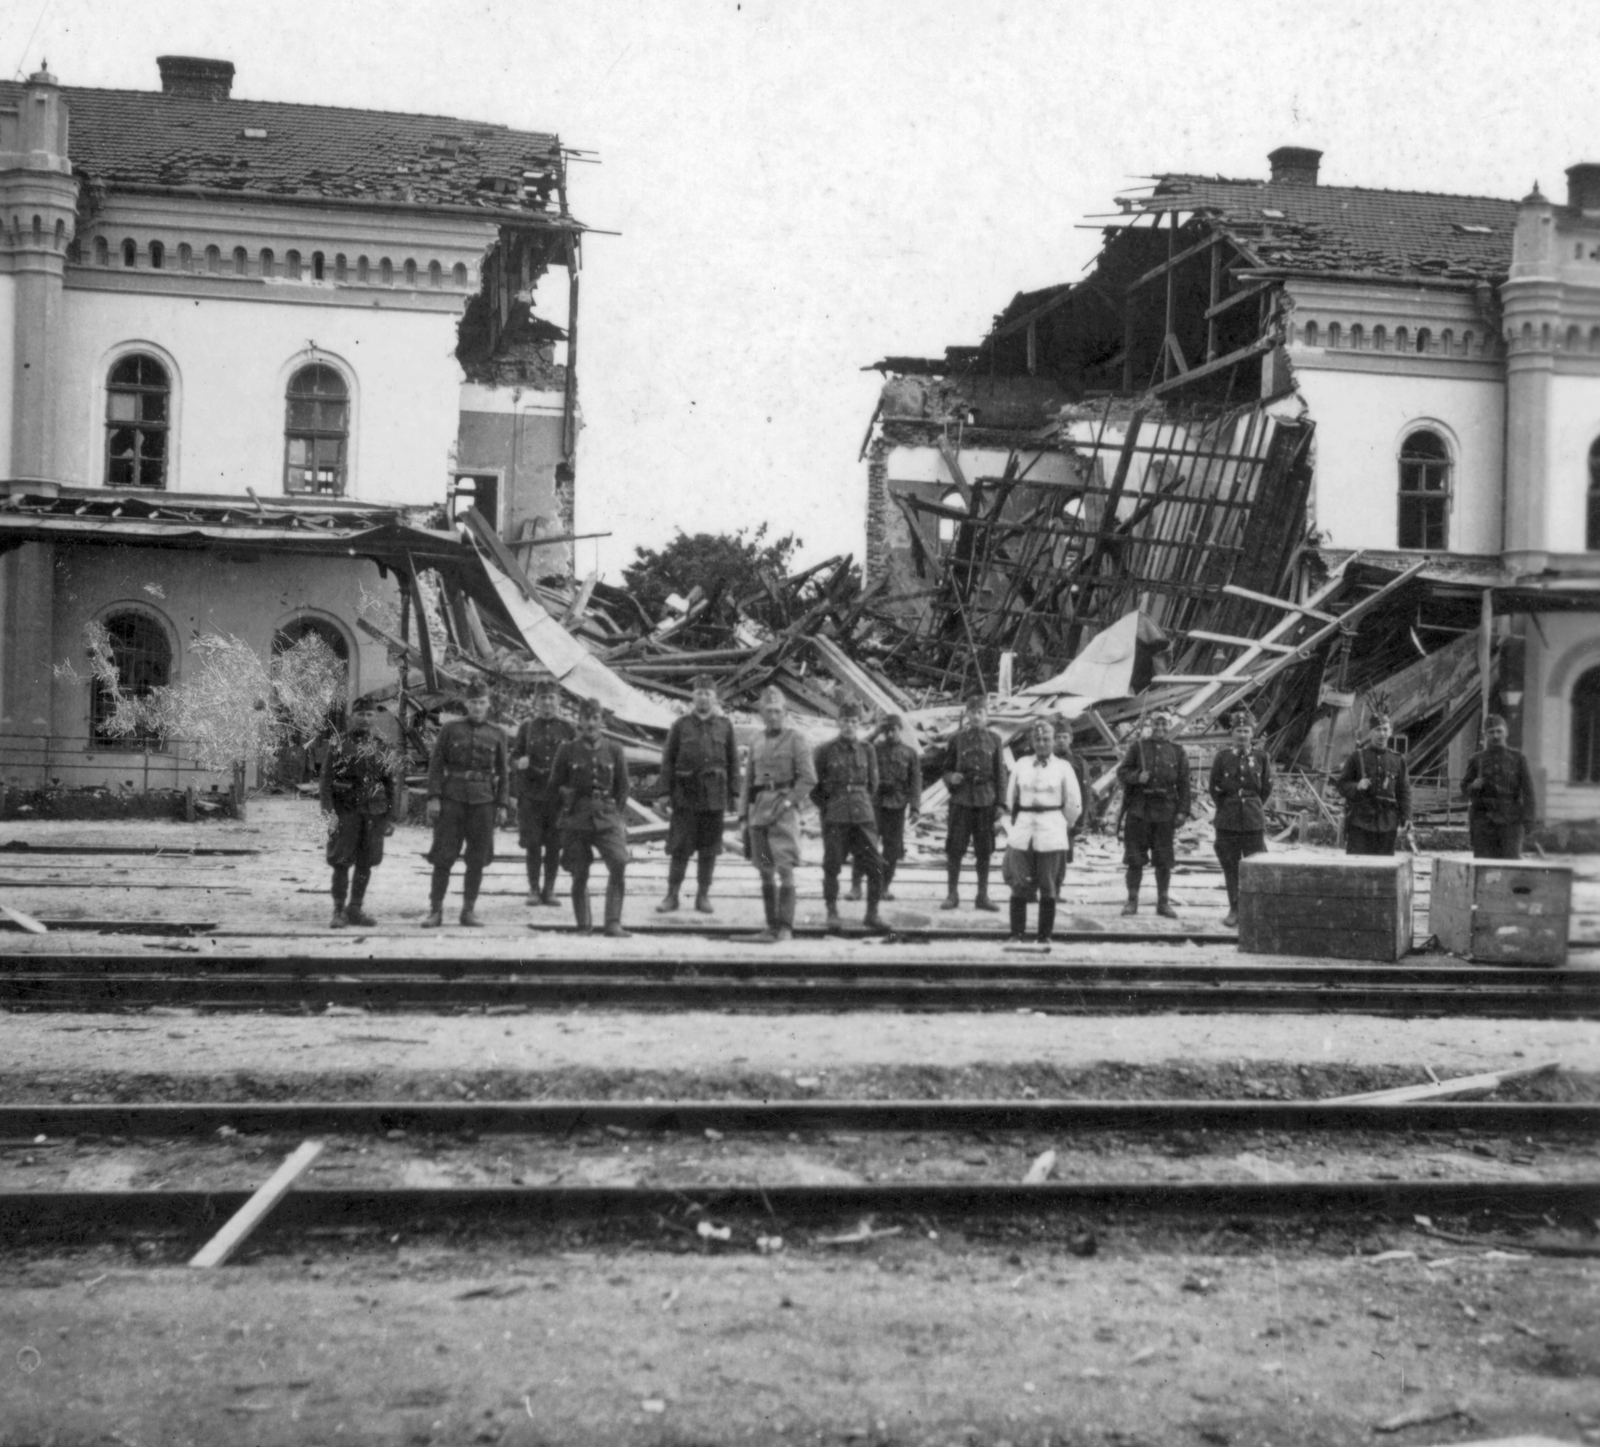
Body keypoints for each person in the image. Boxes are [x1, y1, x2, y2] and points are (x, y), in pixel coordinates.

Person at [423, 679, 509, 928]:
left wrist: (502, 804)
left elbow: (504, 773)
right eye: (473, 702)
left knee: (477, 858)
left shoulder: (498, 733)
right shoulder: (450, 730)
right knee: (443, 855)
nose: (478, 707)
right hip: (452, 800)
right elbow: (437, 765)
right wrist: (433, 798)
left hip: (484, 802)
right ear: (466, 704)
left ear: (488, 704)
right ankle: (435, 910)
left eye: (482, 702)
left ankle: (468, 911)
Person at [549, 697, 632, 937]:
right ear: (579, 721)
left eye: (595, 718)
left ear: (601, 720)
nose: (591, 724)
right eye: (586, 718)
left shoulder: (614, 749)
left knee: (618, 861)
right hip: (577, 818)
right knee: (579, 871)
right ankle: (583, 925)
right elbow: (554, 786)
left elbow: (623, 788)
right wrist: (566, 807)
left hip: (606, 816)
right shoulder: (567, 750)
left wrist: (616, 815)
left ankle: (613, 922)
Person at [657, 674, 739, 914]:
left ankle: (702, 896)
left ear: (715, 697)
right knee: (679, 847)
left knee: (710, 849)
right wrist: (664, 792)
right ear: (693, 696)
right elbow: (667, 761)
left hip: (714, 796)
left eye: (708, 693)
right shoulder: (680, 725)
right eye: (699, 693)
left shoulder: (725, 726)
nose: (703, 697)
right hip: (685, 795)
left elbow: (733, 762)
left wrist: (734, 794)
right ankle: (672, 895)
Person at [741, 686, 816, 944]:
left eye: (777, 711)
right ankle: (770, 926)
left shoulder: (796, 739)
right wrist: (743, 815)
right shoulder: (756, 740)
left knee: (785, 868)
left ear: (785, 713)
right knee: (764, 868)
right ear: (761, 713)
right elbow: (748, 781)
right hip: (759, 815)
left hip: (783, 816)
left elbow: (808, 779)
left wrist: (789, 803)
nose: (773, 716)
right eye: (768, 711)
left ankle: (785, 926)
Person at [319, 696, 400, 928]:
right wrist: (328, 815)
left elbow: (390, 783)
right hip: (346, 811)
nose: (365, 719)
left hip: (374, 813)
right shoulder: (338, 744)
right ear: (351, 717)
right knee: (341, 861)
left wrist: (390, 816)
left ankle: (355, 908)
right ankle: (338, 911)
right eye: (361, 714)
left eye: (369, 714)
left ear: (374, 717)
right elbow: (325, 783)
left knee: (366, 861)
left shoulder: (382, 746)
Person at [1004, 717, 1083, 943]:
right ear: (1032, 741)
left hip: (1051, 829)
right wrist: (1016, 824)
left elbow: (1074, 804)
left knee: (1048, 885)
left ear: (1052, 741)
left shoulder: (1063, 767)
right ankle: (1016, 934)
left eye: (1046, 738)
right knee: (1019, 883)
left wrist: (1059, 824)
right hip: (1024, 829)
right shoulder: (1021, 765)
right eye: (1037, 739)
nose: (1042, 743)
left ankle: (1044, 936)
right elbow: (1011, 799)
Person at [813, 701, 888, 933]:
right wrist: (830, 808)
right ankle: (832, 912)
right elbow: (815, 788)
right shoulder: (824, 751)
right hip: (835, 816)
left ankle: (872, 914)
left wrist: (860, 802)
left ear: (859, 724)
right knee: (832, 864)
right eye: (845, 721)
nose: (849, 726)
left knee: (875, 865)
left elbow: (873, 785)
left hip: (863, 814)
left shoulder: (868, 750)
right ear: (838, 723)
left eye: (854, 722)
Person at [1116, 707, 1191, 918]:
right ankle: (1132, 901)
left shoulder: (1177, 751)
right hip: (1139, 810)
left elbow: (1184, 785)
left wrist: (1182, 812)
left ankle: (1163, 902)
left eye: (1164, 724)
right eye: (1156, 723)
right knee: (1134, 859)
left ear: (1170, 726)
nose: (1160, 727)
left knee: (1164, 860)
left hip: (1166, 812)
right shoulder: (1137, 747)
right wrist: (1137, 777)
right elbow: (1121, 772)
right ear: (1150, 725)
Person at [940, 691, 1007, 912]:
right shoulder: (957, 739)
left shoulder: (995, 740)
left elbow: (1001, 774)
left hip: (986, 801)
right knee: (955, 849)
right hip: (961, 801)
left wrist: (1000, 804)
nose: (976, 716)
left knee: (984, 850)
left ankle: (982, 895)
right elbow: (946, 770)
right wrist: (952, 778)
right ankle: (952, 894)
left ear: (986, 715)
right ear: (967, 714)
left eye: (980, 712)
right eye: (972, 712)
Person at [1208, 708, 1273, 928]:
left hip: (1253, 821)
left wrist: (1252, 806)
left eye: (1246, 731)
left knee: (1255, 866)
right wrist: (1228, 807)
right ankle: (1234, 909)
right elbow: (1214, 788)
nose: (1243, 735)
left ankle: (1255, 910)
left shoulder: (1262, 757)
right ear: (1232, 733)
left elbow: (1265, 789)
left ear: (1252, 733)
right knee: (1230, 866)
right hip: (1227, 821)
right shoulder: (1223, 757)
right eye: (1238, 731)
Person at [512, 682, 575, 907]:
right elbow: (514, 756)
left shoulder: (568, 728)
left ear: (558, 701)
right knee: (532, 843)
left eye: (551, 698)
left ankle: (549, 890)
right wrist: (519, 763)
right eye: (543, 698)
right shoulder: (527, 727)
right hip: (532, 795)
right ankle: (533, 889)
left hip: (557, 798)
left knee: (554, 844)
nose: (547, 702)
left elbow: (577, 759)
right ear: (536, 701)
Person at [848, 714, 922, 902]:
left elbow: (915, 782)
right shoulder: (874, 749)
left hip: (896, 806)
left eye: (893, 730)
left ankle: (884, 887)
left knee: (892, 850)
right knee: (865, 845)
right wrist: (876, 731)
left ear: (900, 730)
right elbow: (857, 746)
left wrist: (915, 808)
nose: (890, 734)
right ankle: (856, 886)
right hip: (874, 804)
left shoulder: (909, 753)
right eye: (887, 730)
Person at [1461, 714, 1537, 859]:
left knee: (1510, 866)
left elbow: (1528, 792)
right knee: (1484, 868)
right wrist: (1473, 786)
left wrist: (1529, 821)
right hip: (1483, 823)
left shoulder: (1518, 759)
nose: (1495, 736)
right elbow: (1464, 788)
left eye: (1499, 731)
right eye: (1491, 732)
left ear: (1506, 732)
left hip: (1511, 824)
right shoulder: (1476, 759)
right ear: (1485, 735)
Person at [1336, 714, 1411, 855]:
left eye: (1385, 729)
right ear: (1370, 732)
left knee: (1385, 870)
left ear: (1390, 732)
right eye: (1378, 730)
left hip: (1387, 823)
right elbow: (1341, 785)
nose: (1382, 734)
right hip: (1360, 822)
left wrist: (1407, 816)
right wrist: (1356, 786)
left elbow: (1404, 791)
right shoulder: (1357, 757)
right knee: (1357, 869)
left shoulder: (1398, 759)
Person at [1052, 717, 1094, 863]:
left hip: (1068, 817)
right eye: (1057, 737)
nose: (1061, 740)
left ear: (1071, 739)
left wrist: (1081, 821)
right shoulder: (1046, 760)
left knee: (1064, 861)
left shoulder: (1078, 763)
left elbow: (1085, 793)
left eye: (1065, 737)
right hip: (1048, 817)